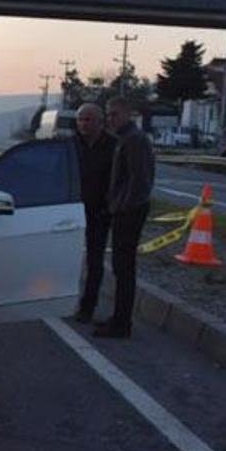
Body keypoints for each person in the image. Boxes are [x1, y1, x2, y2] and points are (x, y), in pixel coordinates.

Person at [95, 97, 155, 339]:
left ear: (128, 114)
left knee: (124, 268)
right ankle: (118, 318)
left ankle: (122, 324)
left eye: (115, 114)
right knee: (121, 268)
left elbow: (139, 180)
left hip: (129, 212)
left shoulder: (134, 140)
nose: (111, 119)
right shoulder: (125, 138)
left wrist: (121, 206)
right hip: (124, 209)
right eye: (108, 115)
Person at [71, 103, 116, 323]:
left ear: (100, 122)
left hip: (99, 213)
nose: (83, 124)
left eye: (88, 119)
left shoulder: (114, 147)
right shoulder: (70, 145)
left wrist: (109, 207)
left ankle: (88, 306)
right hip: (71, 211)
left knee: (94, 261)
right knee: (65, 257)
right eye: (80, 119)